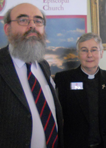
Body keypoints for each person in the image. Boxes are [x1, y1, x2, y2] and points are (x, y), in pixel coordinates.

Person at [0, 3, 63, 148]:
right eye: (23, 20)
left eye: (38, 21)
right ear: (7, 28)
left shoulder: (43, 65)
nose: (32, 26)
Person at [54, 33, 106, 148]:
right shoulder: (63, 80)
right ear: (78, 54)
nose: (89, 55)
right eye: (84, 50)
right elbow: (57, 118)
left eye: (94, 50)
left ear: (101, 53)